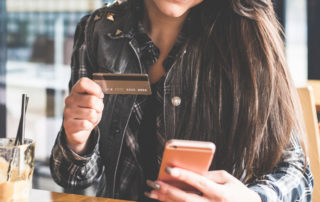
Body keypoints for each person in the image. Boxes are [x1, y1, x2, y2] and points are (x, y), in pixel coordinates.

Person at [50, 0, 314, 201]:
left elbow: (298, 176)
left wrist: (252, 197)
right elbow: (71, 180)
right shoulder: (96, 30)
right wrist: (77, 141)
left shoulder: (248, 34)